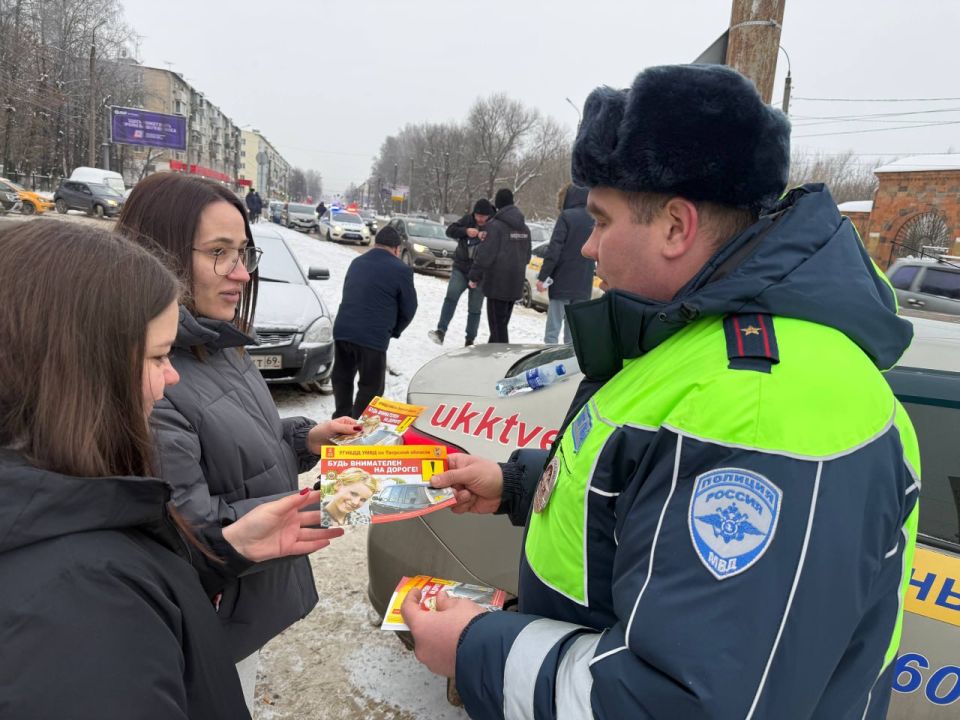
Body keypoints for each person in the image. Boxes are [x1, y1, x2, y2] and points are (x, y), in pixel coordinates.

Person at [403, 64, 919, 720]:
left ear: (676, 227)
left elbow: (676, 704)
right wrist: (517, 482)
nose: (587, 246)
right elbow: (652, 489)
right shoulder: (700, 343)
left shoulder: (759, 408)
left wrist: (476, 646)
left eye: (601, 219)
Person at [0, 220, 344, 719]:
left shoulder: (67, 498)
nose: (173, 374)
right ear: (80, 369)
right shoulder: (79, 605)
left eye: (243, 252)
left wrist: (226, 549)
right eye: (158, 356)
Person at [116, 172, 360, 706]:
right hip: (211, 616)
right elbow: (180, 528)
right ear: (159, 255)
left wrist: (306, 438)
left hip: (243, 604)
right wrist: (282, 518)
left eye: (244, 253)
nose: (240, 274)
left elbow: (239, 443)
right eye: (219, 253)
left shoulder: (219, 344)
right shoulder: (153, 380)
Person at [332, 225, 417, 418]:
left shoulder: (357, 262)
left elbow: (348, 291)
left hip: (344, 331)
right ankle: (357, 426)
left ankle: (340, 419)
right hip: (373, 337)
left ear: (375, 243)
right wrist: (393, 330)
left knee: (342, 378)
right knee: (371, 387)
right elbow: (409, 309)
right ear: (396, 249)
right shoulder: (401, 270)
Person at [428, 198, 494, 347]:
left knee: (475, 308)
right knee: (451, 296)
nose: (480, 219)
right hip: (461, 268)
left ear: (489, 215)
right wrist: (465, 231)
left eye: (483, 216)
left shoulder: (493, 225)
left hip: (480, 273)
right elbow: (449, 231)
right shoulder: (467, 220)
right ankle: (441, 331)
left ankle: (470, 340)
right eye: (477, 215)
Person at [468, 188, 531, 343]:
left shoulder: (495, 226)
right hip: (515, 283)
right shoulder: (525, 229)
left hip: (497, 283)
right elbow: (527, 256)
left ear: (497, 204)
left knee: (498, 328)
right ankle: (493, 354)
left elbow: (485, 256)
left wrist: (474, 276)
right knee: (501, 325)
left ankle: (502, 360)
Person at [537, 184, 595, 344]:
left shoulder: (566, 216)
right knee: (572, 336)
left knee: (552, 332)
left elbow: (554, 249)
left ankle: (549, 361)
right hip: (584, 284)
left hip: (562, 281)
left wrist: (543, 276)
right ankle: (570, 365)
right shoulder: (595, 218)